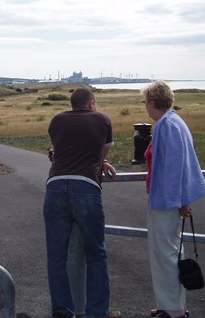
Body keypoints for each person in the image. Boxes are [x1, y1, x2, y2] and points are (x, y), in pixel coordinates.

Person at [44, 87, 121, 318]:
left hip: (55, 186)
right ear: (91, 104)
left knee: (56, 255)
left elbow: (59, 151)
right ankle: (97, 312)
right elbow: (100, 154)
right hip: (85, 188)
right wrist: (103, 163)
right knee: (96, 253)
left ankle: (63, 310)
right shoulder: (102, 120)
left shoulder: (57, 120)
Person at [142, 81, 205, 318]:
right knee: (171, 251)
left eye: (145, 102)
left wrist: (179, 201)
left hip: (165, 199)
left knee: (165, 253)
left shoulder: (166, 125)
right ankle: (171, 304)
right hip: (167, 198)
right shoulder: (172, 121)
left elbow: (173, 168)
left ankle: (172, 309)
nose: (145, 107)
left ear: (152, 102)